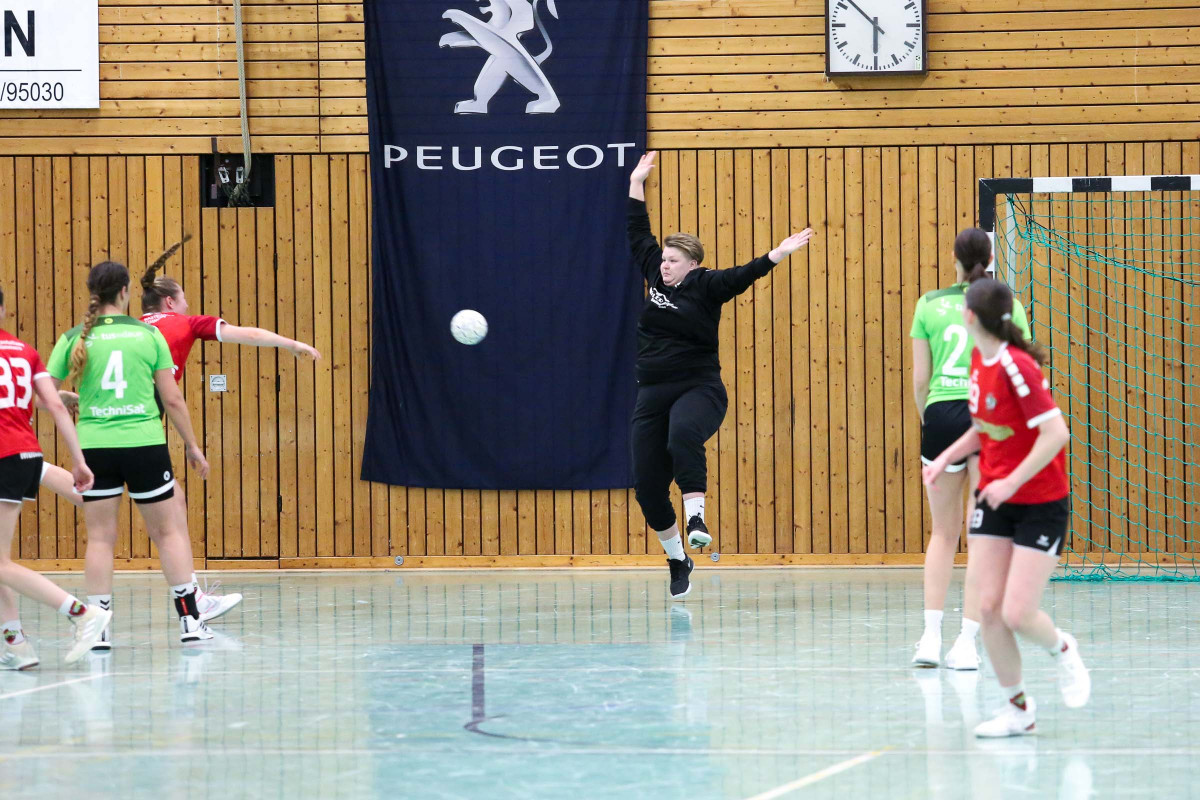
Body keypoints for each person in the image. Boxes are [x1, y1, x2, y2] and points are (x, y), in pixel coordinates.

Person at [627, 151, 814, 599]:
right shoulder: (655, 275)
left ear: (692, 264)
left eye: (674, 260)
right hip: (651, 392)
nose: (665, 265)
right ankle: (678, 558)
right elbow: (637, 232)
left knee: (682, 434)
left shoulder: (706, 285)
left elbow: (743, 275)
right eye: (665, 259)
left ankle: (696, 515)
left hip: (699, 388)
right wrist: (635, 182)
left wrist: (778, 253)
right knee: (648, 490)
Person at [923, 278, 1091, 737]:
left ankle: (1062, 649)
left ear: (970, 316)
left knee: (1017, 613)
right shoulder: (980, 361)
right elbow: (984, 426)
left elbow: (1056, 434)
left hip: (1039, 502)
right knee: (989, 609)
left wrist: (1012, 481)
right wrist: (944, 457)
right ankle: (1019, 710)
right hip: (995, 499)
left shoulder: (1018, 367)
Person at [46, 260, 215, 644]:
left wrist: (67, 397)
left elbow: (45, 396)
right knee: (168, 533)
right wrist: (192, 445)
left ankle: (98, 630)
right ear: (125, 292)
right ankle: (190, 622)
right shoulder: (147, 334)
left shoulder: (73, 338)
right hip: (145, 446)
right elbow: (172, 399)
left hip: (95, 448)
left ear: (93, 293)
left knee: (100, 539)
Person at [909, 228, 1030, 670]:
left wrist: (930, 420)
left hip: (941, 415)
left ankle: (929, 638)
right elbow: (1020, 369)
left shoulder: (928, 303)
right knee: (982, 537)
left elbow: (921, 380)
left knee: (942, 534)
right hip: (989, 414)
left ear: (953, 258)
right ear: (991, 258)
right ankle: (966, 643)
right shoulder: (1008, 303)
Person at [0, 287, 111, 669]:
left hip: (3, 456)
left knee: (0, 564)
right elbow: (55, 407)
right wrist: (79, 462)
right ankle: (16, 646)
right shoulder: (24, 351)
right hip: (26, 454)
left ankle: (83, 614)